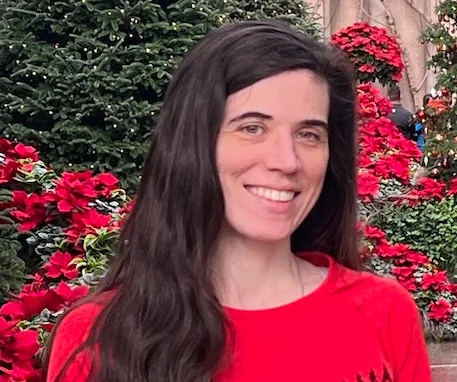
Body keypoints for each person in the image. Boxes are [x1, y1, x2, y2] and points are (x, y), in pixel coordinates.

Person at [43, 20, 431, 382]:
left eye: (309, 134)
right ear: (195, 143)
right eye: (252, 128)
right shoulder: (99, 337)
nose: (286, 161)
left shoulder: (384, 313)